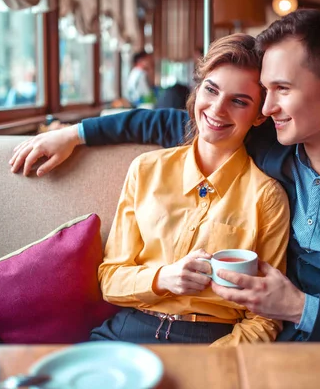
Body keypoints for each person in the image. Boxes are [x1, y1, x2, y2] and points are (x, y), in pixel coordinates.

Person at [10, 9, 320, 342]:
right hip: (228, 337)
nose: (265, 107)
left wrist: (302, 308)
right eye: (263, 94)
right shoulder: (267, 138)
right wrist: (74, 134)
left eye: (280, 89)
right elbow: (168, 122)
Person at [81, 34, 291, 346]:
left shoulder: (267, 197)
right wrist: (162, 277)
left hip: (209, 339)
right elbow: (109, 279)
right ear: (198, 88)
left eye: (238, 101)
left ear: (259, 114)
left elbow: (266, 315)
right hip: (128, 328)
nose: (217, 110)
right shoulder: (146, 170)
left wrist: (214, 363)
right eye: (211, 89)